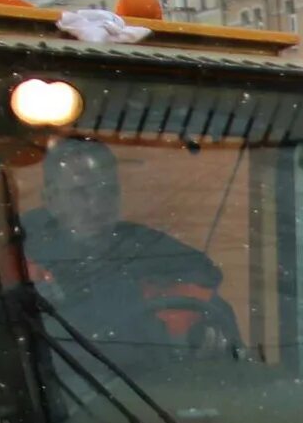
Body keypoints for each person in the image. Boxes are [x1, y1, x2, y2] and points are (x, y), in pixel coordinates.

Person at [23, 138, 233, 355]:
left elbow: (212, 312)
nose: (96, 205)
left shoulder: (155, 257)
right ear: (51, 199)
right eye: (80, 193)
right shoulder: (19, 267)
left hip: (143, 385)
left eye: (107, 191)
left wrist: (205, 335)